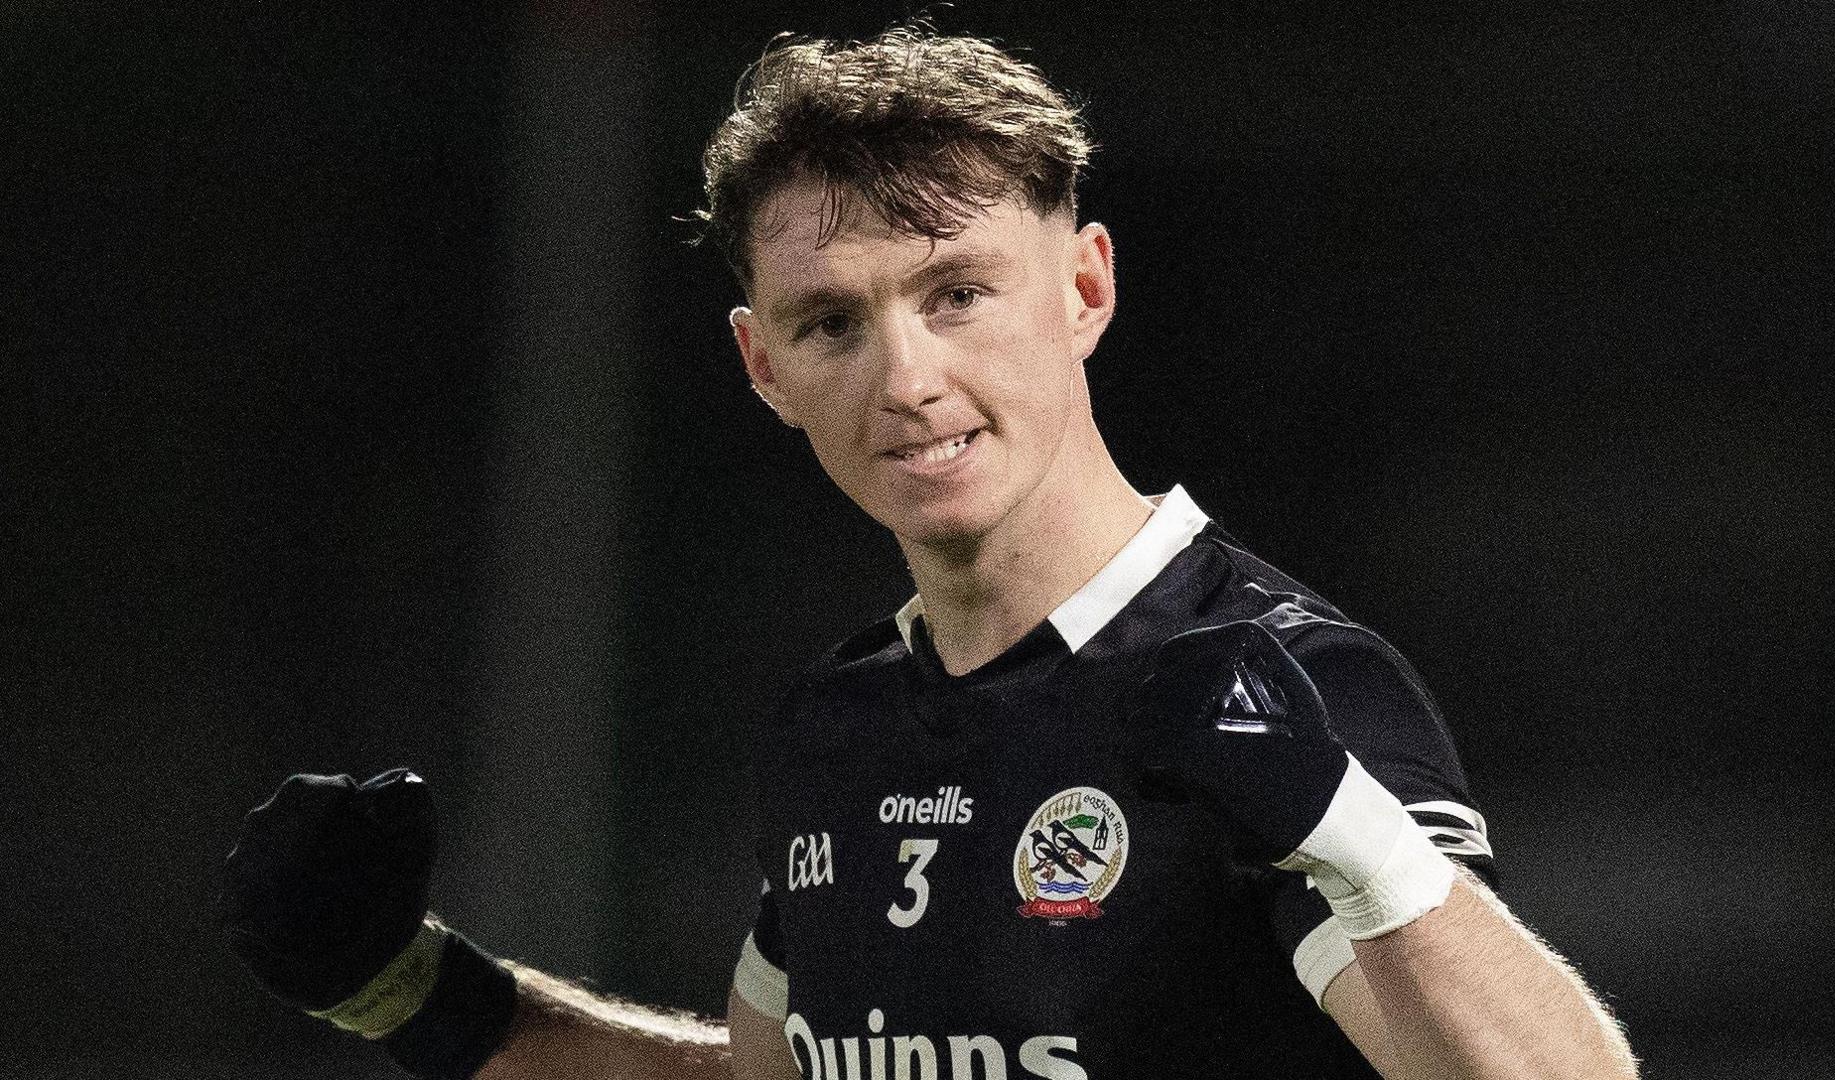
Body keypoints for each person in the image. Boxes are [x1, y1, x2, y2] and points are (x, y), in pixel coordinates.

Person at [222, 27, 1638, 1080]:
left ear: (1085, 288)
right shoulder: (841, 722)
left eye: (957, 294)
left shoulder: (1283, 684)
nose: (906, 377)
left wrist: (1347, 831)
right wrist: (406, 991)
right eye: (833, 323)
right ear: (763, 363)